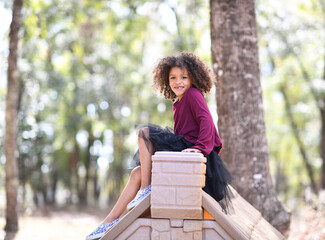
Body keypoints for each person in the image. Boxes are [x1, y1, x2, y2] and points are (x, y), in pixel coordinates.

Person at [86, 52, 232, 240]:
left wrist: (201, 148)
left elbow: (207, 121)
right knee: (136, 173)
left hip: (195, 154)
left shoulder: (193, 94)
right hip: (183, 151)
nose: (178, 82)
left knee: (145, 133)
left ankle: (145, 188)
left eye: (183, 77)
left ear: (193, 78)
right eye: (173, 78)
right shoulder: (178, 102)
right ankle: (108, 222)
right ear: (166, 79)